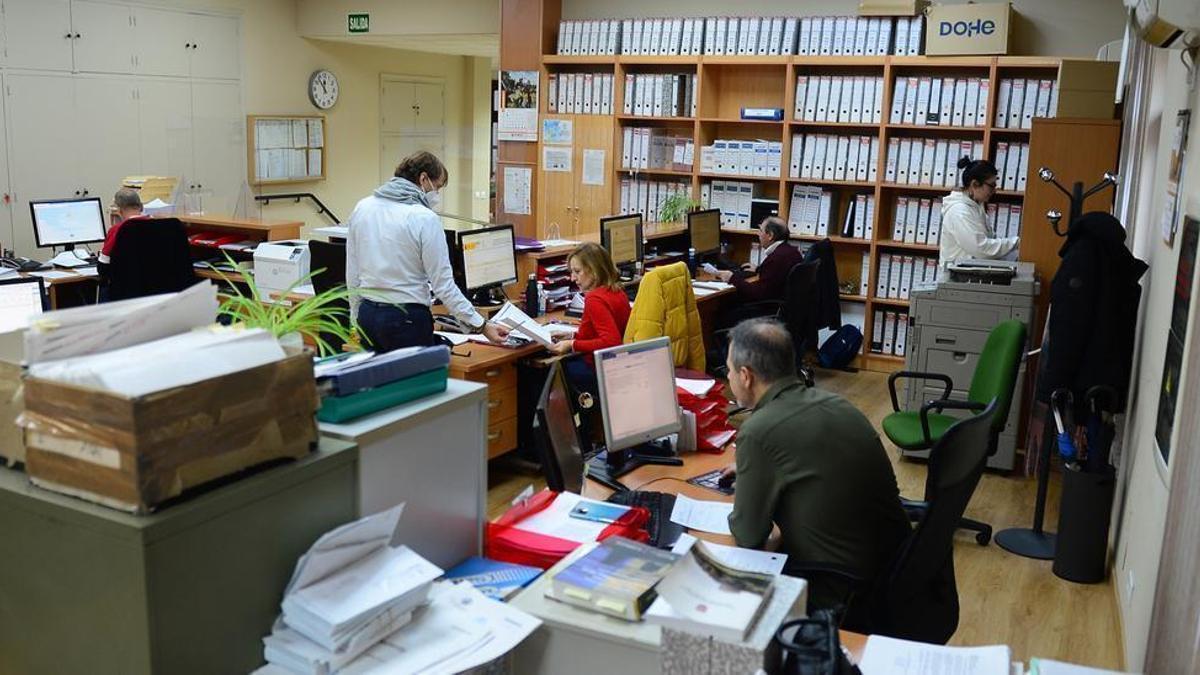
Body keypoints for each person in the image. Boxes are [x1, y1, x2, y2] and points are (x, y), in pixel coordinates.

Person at [721, 318, 911, 611]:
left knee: (721, 586)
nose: (729, 377)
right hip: (893, 571)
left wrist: (753, 480)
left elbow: (748, 536)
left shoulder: (759, 430)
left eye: (729, 370)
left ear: (746, 376)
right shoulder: (838, 404)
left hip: (840, 589)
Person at [346, 151, 508, 352]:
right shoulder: (424, 218)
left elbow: (352, 272)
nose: (437, 195)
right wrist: (482, 325)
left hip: (368, 315)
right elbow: (443, 286)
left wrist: (356, 316)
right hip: (406, 320)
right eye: (437, 187)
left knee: (378, 382)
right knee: (415, 383)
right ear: (423, 179)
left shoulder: (363, 207)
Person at [548, 243, 631, 432]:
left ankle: (571, 437)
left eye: (577, 271)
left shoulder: (594, 299)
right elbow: (601, 331)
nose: (573, 278)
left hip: (597, 370)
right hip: (617, 367)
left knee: (545, 376)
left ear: (593, 271)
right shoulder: (616, 290)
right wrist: (572, 334)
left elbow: (611, 341)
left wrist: (572, 344)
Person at [939, 157, 1019, 269]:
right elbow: (981, 249)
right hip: (958, 279)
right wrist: (1016, 242)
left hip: (970, 274)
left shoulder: (976, 207)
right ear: (975, 184)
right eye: (991, 186)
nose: (994, 190)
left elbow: (989, 241)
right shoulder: (959, 212)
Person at [713, 216, 804, 304]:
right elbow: (776, 277)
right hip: (783, 305)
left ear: (770, 235)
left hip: (769, 308)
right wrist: (759, 269)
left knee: (725, 303)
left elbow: (757, 293)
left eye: (761, 230)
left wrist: (731, 278)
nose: (758, 234)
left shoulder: (776, 258)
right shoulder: (792, 252)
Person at [98, 188, 149, 265]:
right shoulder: (157, 225)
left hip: (125, 275)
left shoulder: (118, 229)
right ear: (141, 207)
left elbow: (103, 264)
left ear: (119, 210)